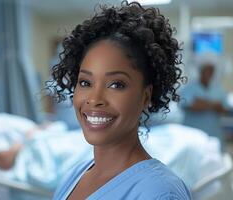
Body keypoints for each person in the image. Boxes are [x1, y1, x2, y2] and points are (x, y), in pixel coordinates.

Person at [48, 1, 192, 199]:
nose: (94, 99)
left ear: (145, 96)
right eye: (85, 82)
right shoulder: (75, 175)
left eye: (116, 84)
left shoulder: (159, 193)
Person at [180, 62, 229, 150]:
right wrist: (213, 104)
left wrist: (202, 102)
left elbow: (224, 109)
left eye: (212, 71)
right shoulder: (189, 88)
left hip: (214, 135)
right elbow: (192, 106)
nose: (209, 73)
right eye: (207, 70)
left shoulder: (218, 89)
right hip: (193, 136)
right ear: (201, 71)